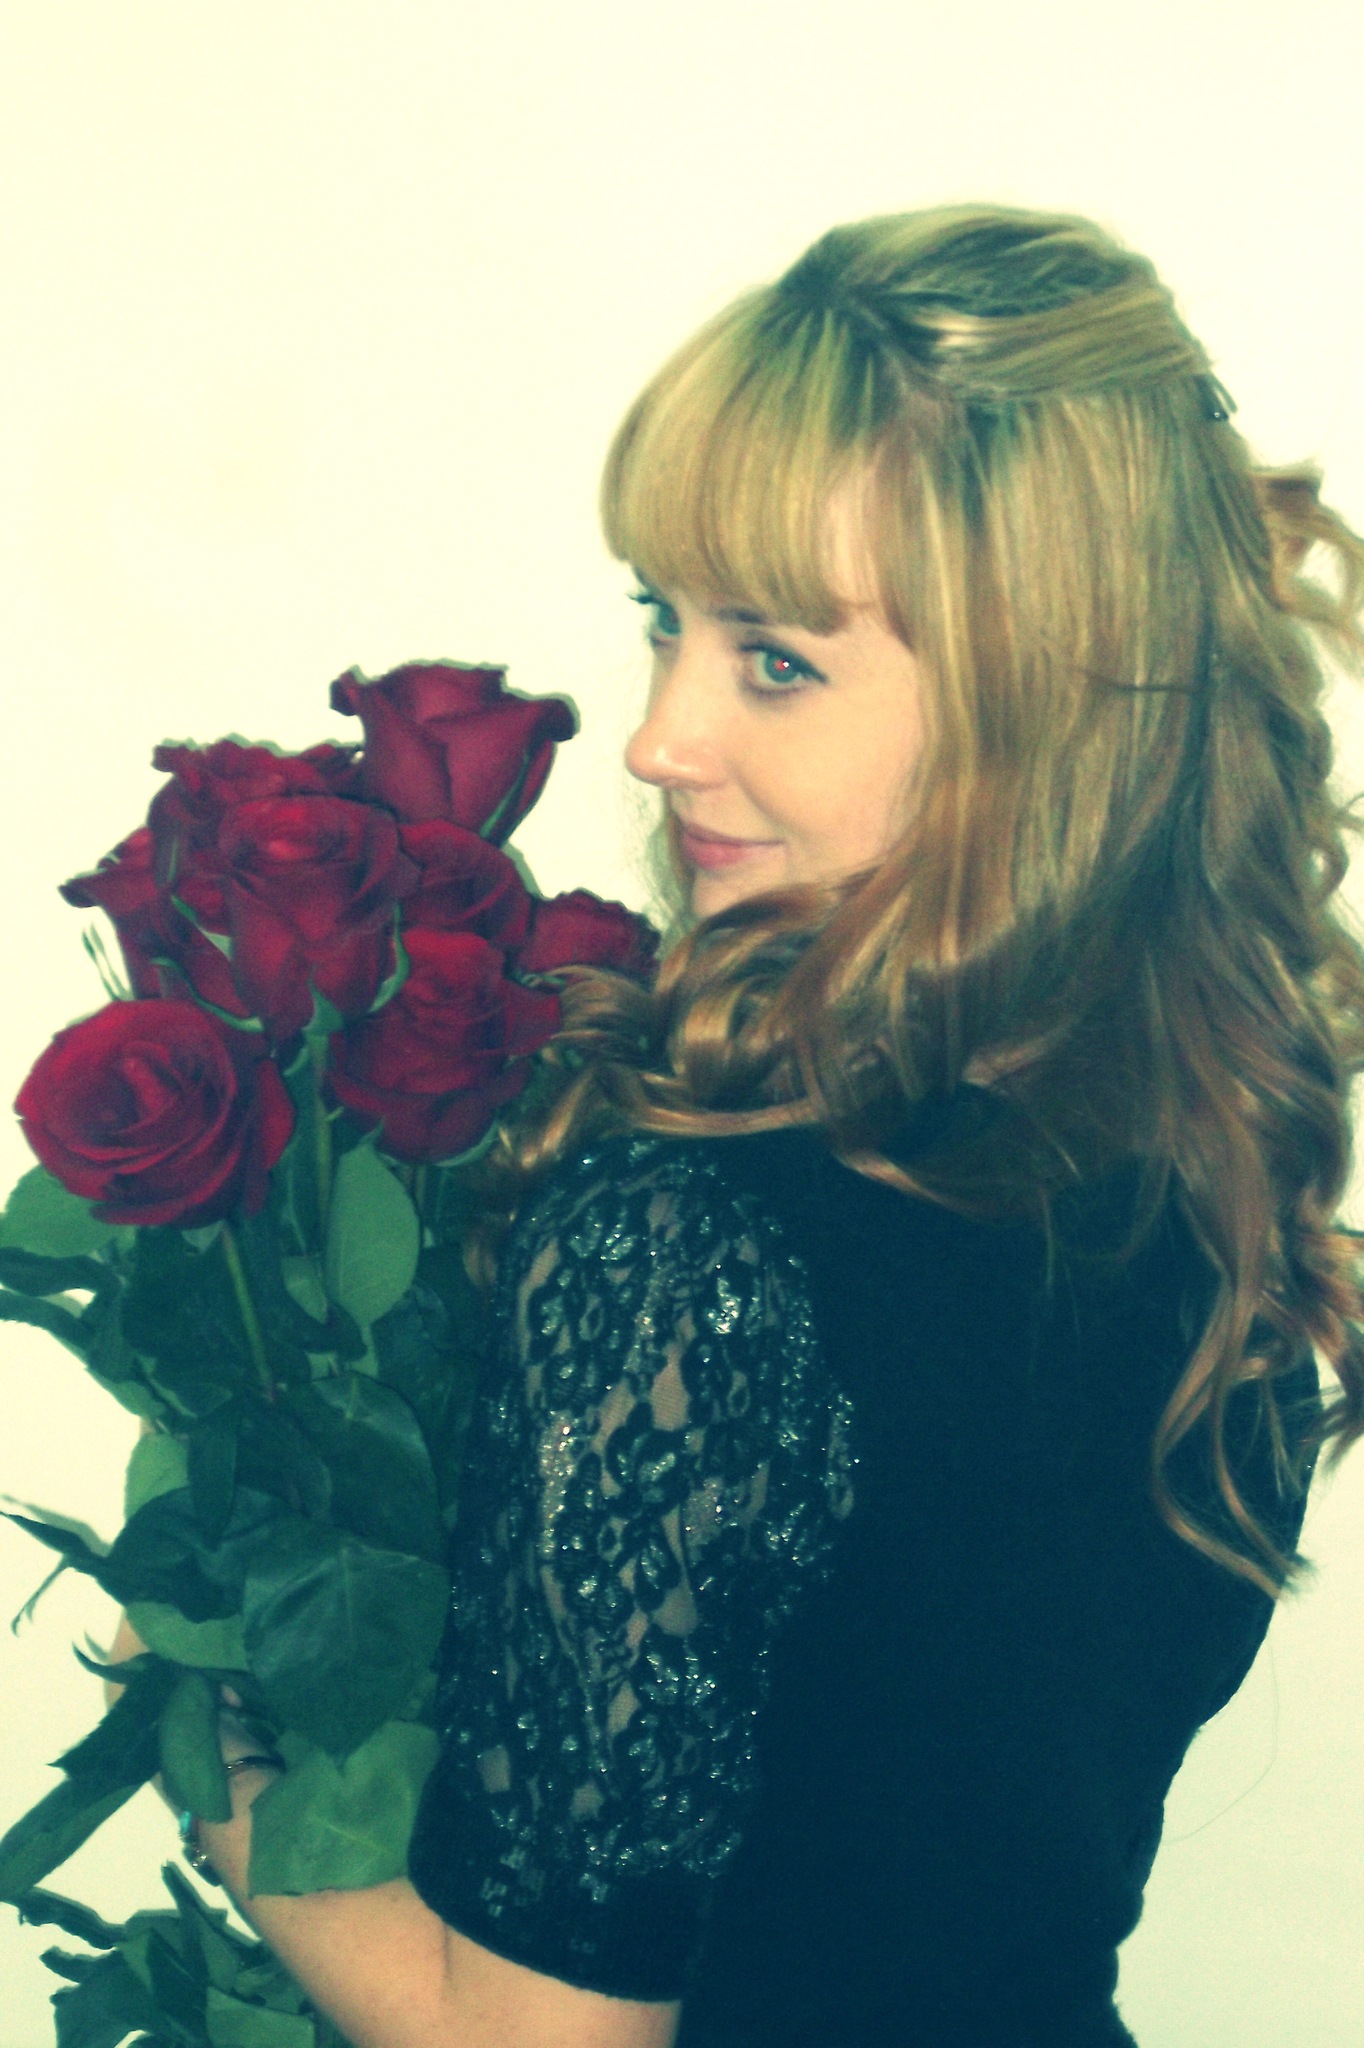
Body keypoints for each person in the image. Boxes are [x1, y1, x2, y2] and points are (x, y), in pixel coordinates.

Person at [111, 203, 1364, 2047]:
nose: (658, 735)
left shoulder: (689, 1241)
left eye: (774, 658)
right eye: (664, 622)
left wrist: (226, 1776)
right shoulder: (1201, 1163)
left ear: (1043, 693)